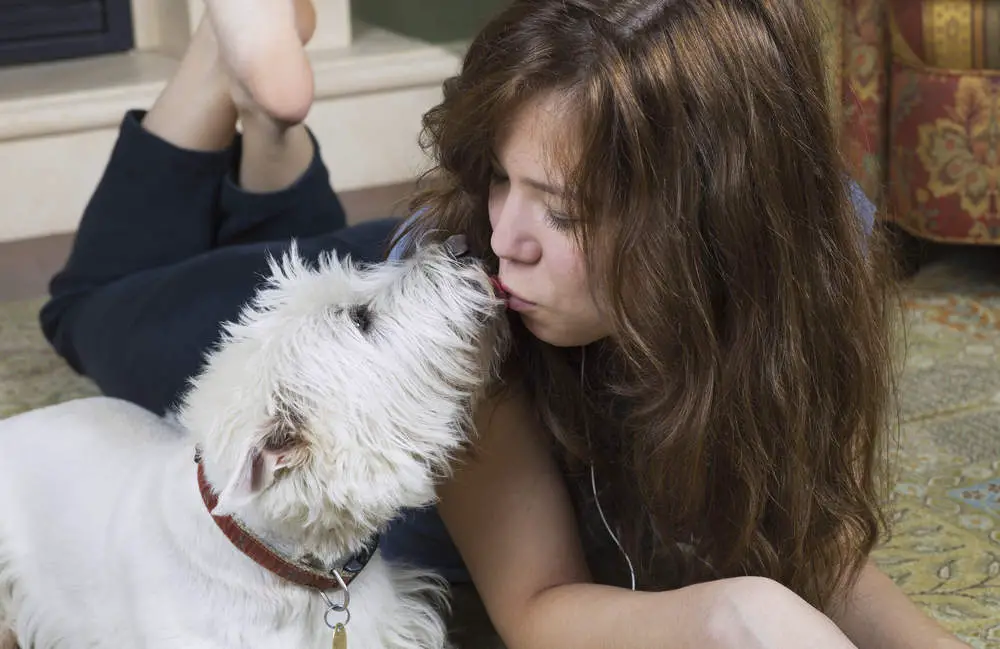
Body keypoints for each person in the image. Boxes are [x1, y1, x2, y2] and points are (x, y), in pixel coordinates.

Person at [39, 0, 969, 648]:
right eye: (498, 174)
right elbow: (536, 606)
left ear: (712, 224)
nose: (504, 238)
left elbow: (806, 529)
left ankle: (278, 143)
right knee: (89, 309)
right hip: (360, 324)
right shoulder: (467, 287)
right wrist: (738, 617)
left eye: (562, 210)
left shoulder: (810, 253)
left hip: (389, 283)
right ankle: (220, 60)